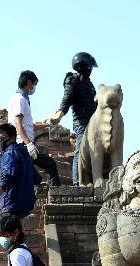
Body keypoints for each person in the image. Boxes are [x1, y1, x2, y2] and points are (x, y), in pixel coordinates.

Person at [45, 51, 98, 185]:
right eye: (89, 67)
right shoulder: (73, 81)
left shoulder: (88, 84)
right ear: (83, 66)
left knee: (92, 154)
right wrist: (60, 113)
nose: (91, 70)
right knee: (80, 152)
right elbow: (66, 100)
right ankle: (77, 182)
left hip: (93, 122)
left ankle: (88, 180)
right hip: (81, 122)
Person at [7, 70, 61, 187]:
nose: (34, 88)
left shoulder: (22, 99)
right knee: (50, 164)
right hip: (21, 144)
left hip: (23, 144)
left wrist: (48, 124)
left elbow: (29, 126)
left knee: (35, 177)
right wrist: (28, 144)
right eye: (34, 85)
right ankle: (55, 193)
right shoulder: (19, 99)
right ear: (29, 82)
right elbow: (18, 123)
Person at [0, 123, 42, 219]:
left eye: (2, 138)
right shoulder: (24, 153)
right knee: (16, 232)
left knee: (7, 232)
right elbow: (37, 179)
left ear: (12, 137)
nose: (0, 141)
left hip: (12, 203)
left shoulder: (10, 153)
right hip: (26, 204)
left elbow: (7, 179)